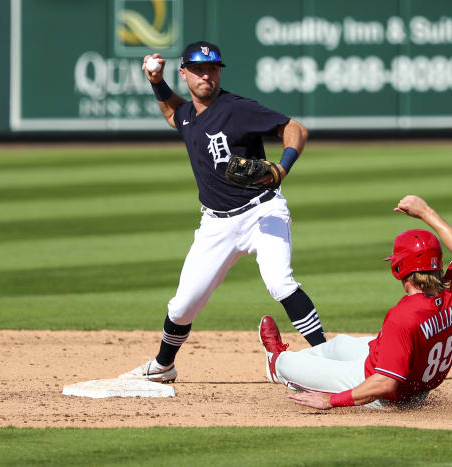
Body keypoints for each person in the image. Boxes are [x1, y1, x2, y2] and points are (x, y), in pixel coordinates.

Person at [120, 41, 326, 383]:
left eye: (212, 69)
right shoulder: (187, 115)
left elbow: (295, 129)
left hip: (263, 213)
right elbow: (173, 114)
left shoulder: (238, 109)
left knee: (280, 282)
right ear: (183, 73)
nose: (206, 76)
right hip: (215, 224)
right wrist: (156, 82)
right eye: (198, 70)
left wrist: (282, 168)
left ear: (219, 72)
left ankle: (325, 354)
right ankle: (163, 366)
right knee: (183, 306)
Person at [258, 195, 452, 409]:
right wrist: (425, 212)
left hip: (382, 391)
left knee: (288, 364)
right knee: (338, 344)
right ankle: (311, 367)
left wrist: (331, 401)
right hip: (414, 382)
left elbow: (385, 382)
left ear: (399, 268)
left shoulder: (404, 316)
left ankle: (276, 365)